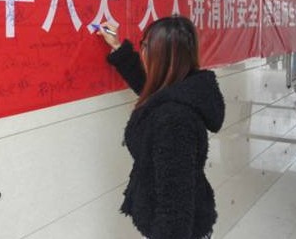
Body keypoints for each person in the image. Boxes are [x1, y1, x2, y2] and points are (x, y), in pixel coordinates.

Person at [96, 15, 225, 239]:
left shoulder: (174, 120)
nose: (142, 51)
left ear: (162, 57)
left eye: (146, 46)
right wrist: (118, 47)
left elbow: (175, 209)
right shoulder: (183, 90)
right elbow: (152, 91)